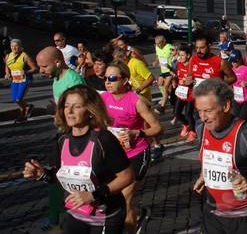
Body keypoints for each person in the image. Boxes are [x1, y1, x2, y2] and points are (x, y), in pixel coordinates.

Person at [23, 85, 135, 234]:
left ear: (90, 111)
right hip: (77, 212)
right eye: (66, 106)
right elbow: (61, 176)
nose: (69, 111)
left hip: (108, 214)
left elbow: (127, 176)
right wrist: (42, 174)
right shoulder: (61, 140)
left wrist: (91, 195)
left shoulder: (104, 140)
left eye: (76, 107)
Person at [192, 79, 247, 233]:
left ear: (226, 106)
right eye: (199, 111)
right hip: (213, 214)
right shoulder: (201, 129)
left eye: (208, 111)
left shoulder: (245, 133)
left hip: (245, 216)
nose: (203, 117)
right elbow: (208, 157)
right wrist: (204, 176)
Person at [101, 60, 163, 234]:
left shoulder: (135, 101)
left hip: (136, 152)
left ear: (125, 80)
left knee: (125, 198)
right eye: (105, 78)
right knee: (114, 198)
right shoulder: (103, 98)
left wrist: (137, 133)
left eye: (112, 78)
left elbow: (158, 128)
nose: (107, 82)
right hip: (114, 155)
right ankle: (138, 217)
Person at [36, 46, 86, 231]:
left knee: (60, 177)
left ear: (57, 62)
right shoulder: (57, 78)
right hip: (63, 134)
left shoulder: (73, 80)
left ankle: (58, 222)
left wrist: (59, 115)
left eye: (44, 66)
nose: (41, 70)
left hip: (75, 136)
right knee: (55, 177)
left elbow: (83, 110)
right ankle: (54, 220)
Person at [5, 38, 38, 122]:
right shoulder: (8, 56)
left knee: (19, 99)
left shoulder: (25, 56)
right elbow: (7, 66)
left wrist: (26, 71)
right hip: (15, 79)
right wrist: (7, 73)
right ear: (10, 47)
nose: (14, 48)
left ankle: (24, 113)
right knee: (15, 99)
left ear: (20, 47)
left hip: (25, 79)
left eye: (16, 46)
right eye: (12, 46)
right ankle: (27, 109)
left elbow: (35, 68)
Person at [172, 44, 198, 142]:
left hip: (190, 94)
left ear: (188, 56)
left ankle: (193, 132)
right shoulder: (179, 64)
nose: (180, 57)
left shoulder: (192, 67)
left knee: (188, 114)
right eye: (179, 55)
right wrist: (175, 80)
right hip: (181, 92)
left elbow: (196, 80)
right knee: (176, 113)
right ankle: (186, 125)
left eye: (182, 55)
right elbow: (178, 75)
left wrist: (190, 82)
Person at [229, 49, 247, 122]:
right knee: (235, 120)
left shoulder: (246, 70)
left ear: (240, 60)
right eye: (232, 61)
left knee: (242, 121)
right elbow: (231, 83)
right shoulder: (231, 70)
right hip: (237, 99)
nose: (233, 63)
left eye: (235, 61)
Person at [152, 35, 174, 114]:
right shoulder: (157, 47)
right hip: (163, 70)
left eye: (159, 43)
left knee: (165, 87)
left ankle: (162, 107)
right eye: (156, 44)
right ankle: (169, 97)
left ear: (164, 41)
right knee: (160, 82)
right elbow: (157, 56)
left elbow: (176, 55)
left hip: (171, 70)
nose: (158, 45)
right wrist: (156, 61)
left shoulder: (170, 47)